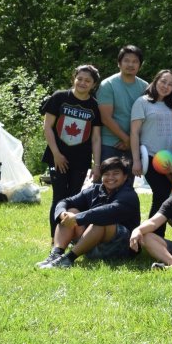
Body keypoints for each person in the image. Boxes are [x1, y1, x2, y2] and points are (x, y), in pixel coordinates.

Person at [36, 156, 140, 269]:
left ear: (125, 177)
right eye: (106, 174)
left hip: (121, 248)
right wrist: (63, 214)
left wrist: (77, 218)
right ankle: (56, 254)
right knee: (71, 211)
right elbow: (65, 201)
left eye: (116, 173)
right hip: (91, 243)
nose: (110, 177)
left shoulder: (129, 195)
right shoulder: (94, 190)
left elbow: (107, 212)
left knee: (101, 221)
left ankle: (68, 259)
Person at [41, 64, 102, 237]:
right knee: (59, 197)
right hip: (57, 156)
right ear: (73, 78)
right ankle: (55, 239)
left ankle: (70, 236)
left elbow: (96, 138)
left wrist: (96, 165)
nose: (82, 83)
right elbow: (47, 127)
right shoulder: (59, 97)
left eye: (87, 80)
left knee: (74, 198)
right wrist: (56, 154)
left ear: (93, 84)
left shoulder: (94, 106)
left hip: (81, 159)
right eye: (80, 78)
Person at [130, 69, 172, 222]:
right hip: (150, 157)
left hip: (171, 160)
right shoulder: (142, 102)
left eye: (170, 84)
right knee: (161, 194)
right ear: (156, 80)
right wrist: (136, 159)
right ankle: (151, 236)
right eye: (163, 81)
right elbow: (134, 132)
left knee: (171, 198)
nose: (166, 86)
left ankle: (164, 237)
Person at [96, 45, 146, 161]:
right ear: (119, 63)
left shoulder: (145, 87)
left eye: (135, 62)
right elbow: (106, 118)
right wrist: (127, 140)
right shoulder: (108, 85)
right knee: (110, 179)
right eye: (126, 61)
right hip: (110, 144)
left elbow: (146, 117)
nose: (130, 65)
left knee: (131, 179)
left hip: (134, 145)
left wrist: (132, 142)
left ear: (140, 65)